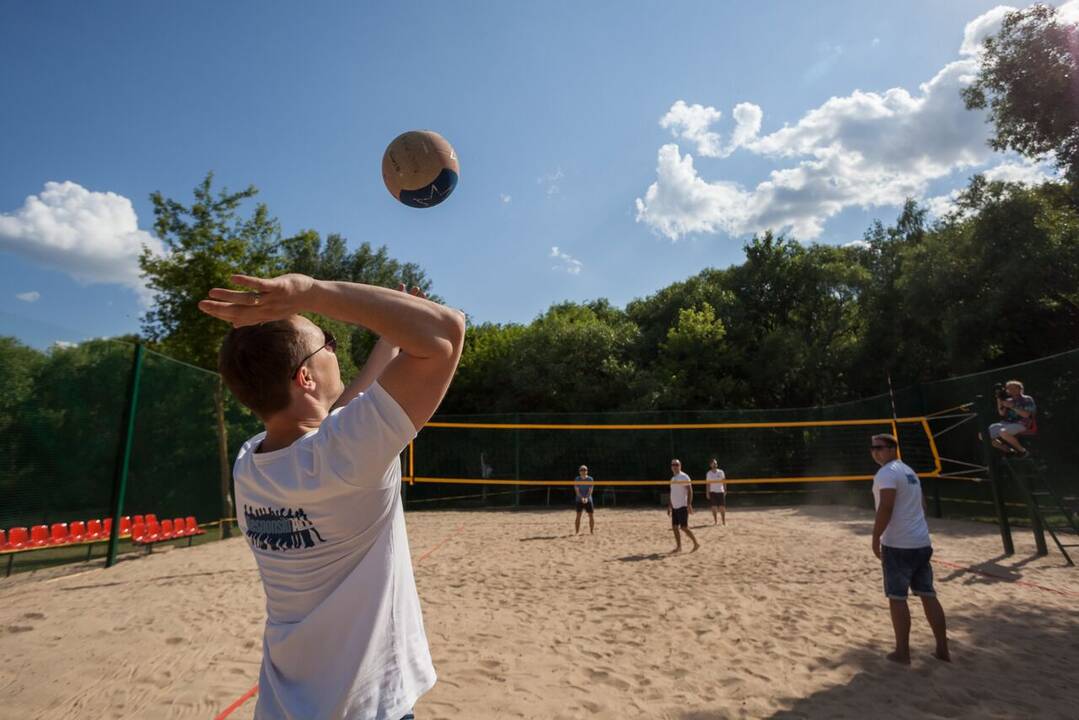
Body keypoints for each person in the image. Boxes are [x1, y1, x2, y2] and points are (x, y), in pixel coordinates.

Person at [199, 273, 465, 720]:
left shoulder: (250, 464)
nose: (335, 352)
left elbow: (335, 421)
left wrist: (387, 344)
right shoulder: (343, 456)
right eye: (330, 343)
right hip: (366, 708)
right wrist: (311, 292)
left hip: (282, 707)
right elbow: (446, 331)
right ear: (305, 375)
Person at [869, 433, 950, 665]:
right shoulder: (909, 472)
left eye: (880, 447)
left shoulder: (887, 473)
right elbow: (922, 505)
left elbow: (886, 506)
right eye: (873, 448)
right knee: (927, 594)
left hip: (898, 545)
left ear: (893, 448)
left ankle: (902, 653)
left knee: (897, 598)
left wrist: (876, 537)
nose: (875, 451)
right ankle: (943, 650)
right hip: (921, 542)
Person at [989, 380, 1036, 457]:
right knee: (983, 435)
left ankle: (1022, 451)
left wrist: (1012, 406)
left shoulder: (1027, 399)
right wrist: (999, 398)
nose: (1010, 390)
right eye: (1008, 388)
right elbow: (1002, 413)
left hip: (1022, 423)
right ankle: (1008, 451)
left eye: (1013, 388)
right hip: (1005, 423)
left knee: (1003, 432)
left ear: (1020, 389)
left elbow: (1027, 415)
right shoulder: (1008, 400)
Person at [667, 459, 699, 553]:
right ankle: (679, 547)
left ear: (680, 466)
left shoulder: (684, 476)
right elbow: (672, 493)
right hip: (675, 506)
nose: (675, 466)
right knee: (674, 527)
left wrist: (689, 504)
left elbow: (690, 491)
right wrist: (669, 506)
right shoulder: (673, 479)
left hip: (682, 505)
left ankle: (696, 544)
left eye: (676, 464)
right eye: (673, 464)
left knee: (684, 527)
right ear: (671, 467)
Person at [574, 465, 595, 535]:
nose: (583, 471)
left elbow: (590, 490)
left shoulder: (590, 479)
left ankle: (591, 531)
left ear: (587, 471)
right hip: (579, 499)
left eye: (585, 470)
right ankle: (577, 532)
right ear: (579, 472)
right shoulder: (577, 479)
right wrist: (582, 498)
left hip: (588, 499)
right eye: (582, 470)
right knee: (578, 516)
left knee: (591, 515)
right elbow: (577, 491)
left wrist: (586, 498)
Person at [706, 458, 727, 526]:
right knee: (714, 508)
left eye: (715, 463)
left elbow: (724, 481)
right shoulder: (708, 473)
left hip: (720, 491)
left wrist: (725, 489)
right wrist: (707, 492)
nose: (715, 464)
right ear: (710, 465)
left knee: (722, 507)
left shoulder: (721, 472)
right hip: (712, 492)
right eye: (713, 463)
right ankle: (715, 521)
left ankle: (723, 521)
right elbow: (708, 484)